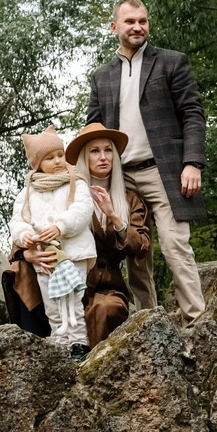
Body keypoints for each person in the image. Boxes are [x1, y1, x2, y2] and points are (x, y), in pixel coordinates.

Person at [85, 0, 208, 326]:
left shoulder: (171, 62)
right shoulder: (101, 77)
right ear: (115, 27)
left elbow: (193, 114)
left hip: (164, 172)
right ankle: (149, 326)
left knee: (175, 245)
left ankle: (197, 323)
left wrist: (192, 162)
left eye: (143, 21)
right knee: (136, 254)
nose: (137, 27)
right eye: (130, 21)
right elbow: (93, 130)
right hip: (122, 178)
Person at [6, 126, 95, 356]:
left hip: (73, 253)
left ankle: (78, 342)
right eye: (49, 158)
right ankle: (59, 343)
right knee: (52, 302)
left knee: (73, 299)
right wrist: (25, 236)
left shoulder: (76, 182)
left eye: (60, 155)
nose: (57, 161)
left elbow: (83, 210)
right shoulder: (27, 193)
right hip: (44, 257)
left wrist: (60, 226)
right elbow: (18, 221)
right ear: (37, 163)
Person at [66, 122, 152, 348]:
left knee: (105, 309)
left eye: (108, 150)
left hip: (109, 287)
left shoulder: (130, 199)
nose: (103, 157)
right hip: (72, 281)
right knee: (19, 273)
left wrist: (114, 216)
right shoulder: (67, 194)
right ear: (84, 158)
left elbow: (142, 245)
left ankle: (94, 365)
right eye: (95, 151)